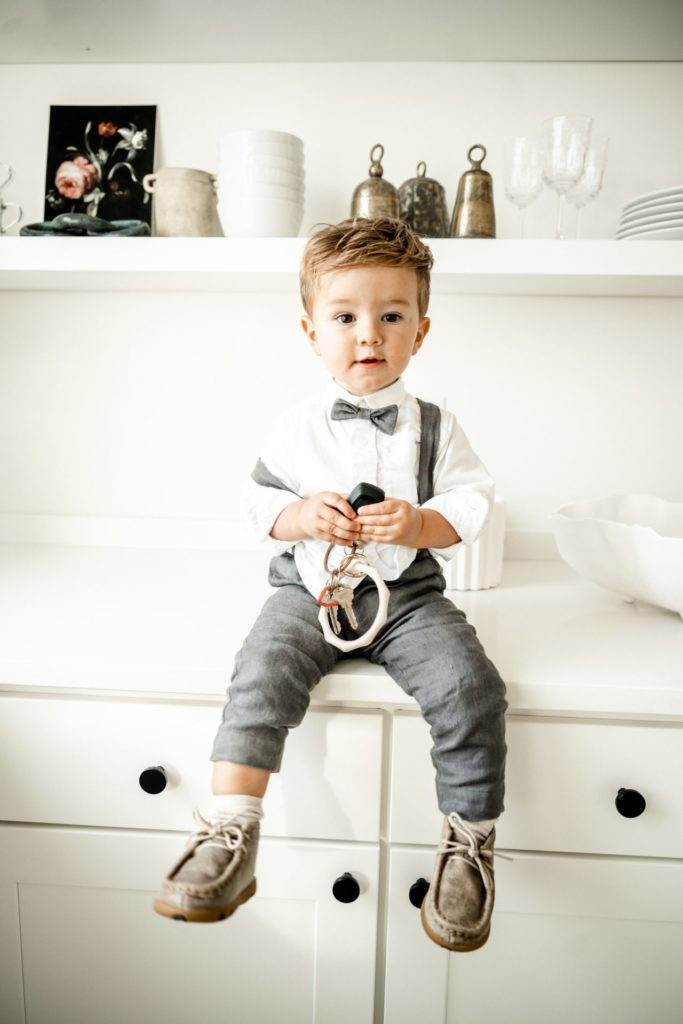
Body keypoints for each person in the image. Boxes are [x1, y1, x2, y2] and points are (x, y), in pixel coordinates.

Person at [154, 217, 508, 952]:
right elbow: (256, 504)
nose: (367, 335)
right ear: (311, 330)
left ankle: (468, 840)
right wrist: (297, 514)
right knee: (259, 672)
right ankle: (232, 827)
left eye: (390, 316)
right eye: (344, 317)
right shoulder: (293, 428)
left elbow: (470, 504)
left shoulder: (437, 427)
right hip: (308, 591)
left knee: (471, 686)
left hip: (404, 597)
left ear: (421, 330)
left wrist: (419, 524)